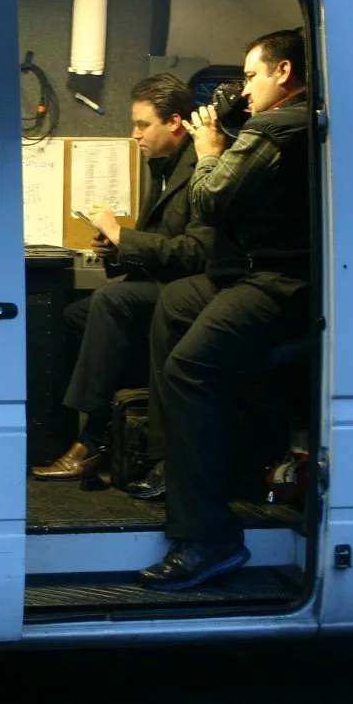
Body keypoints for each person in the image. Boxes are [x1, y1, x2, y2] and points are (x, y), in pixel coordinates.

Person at [134, 29, 313, 590]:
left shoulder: (278, 127)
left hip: (282, 283)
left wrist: (210, 149)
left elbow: (210, 199)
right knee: (176, 300)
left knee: (189, 367)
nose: (245, 88)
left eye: (252, 75)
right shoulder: (273, 125)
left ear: (283, 72)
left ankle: (210, 538)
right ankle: (174, 462)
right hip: (258, 272)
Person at [31, 73, 211, 481]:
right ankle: (91, 424)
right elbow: (160, 242)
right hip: (162, 282)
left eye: (143, 125)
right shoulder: (163, 167)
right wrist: (116, 250)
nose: (135, 135)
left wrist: (123, 236)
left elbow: (195, 253)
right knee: (70, 318)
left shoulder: (200, 168)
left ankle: (92, 440)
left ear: (175, 122)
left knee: (112, 301)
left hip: (190, 290)